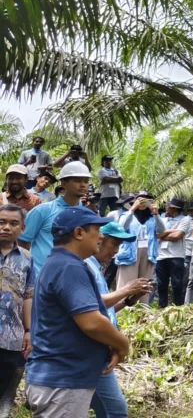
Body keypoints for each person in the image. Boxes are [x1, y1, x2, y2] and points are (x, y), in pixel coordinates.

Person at [25, 206, 130, 418]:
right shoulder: (68, 267)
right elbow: (92, 322)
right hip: (62, 381)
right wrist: (123, 344)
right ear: (79, 233)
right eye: (96, 230)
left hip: (63, 376)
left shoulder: (60, 263)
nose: (100, 236)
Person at [85, 222, 153, 418]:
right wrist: (126, 289)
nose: (115, 251)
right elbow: (91, 305)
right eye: (113, 244)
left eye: (118, 246)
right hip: (93, 348)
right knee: (116, 410)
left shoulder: (97, 268)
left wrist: (128, 300)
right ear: (99, 240)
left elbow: (104, 308)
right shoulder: (86, 266)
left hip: (99, 349)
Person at [19, 161, 90, 273]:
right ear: (63, 183)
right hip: (40, 277)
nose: (83, 184)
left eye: (86, 181)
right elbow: (22, 242)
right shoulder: (42, 210)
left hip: (72, 277)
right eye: (77, 180)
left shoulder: (87, 215)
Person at [0, 204, 32, 418]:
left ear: (22, 228)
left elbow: (28, 295)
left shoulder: (27, 258)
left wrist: (28, 330)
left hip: (12, 338)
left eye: (13, 223)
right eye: (1, 222)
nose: (6, 227)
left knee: (5, 396)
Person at [114, 192, 165, 295]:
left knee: (145, 283)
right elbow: (121, 228)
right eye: (141, 201)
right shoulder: (126, 214)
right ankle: (123, 307)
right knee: (126, 283)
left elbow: (162, 230)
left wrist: (156, 214)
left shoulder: (152, 217)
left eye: (146, 201)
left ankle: (142, 308)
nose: (143, 204)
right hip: (130, 252)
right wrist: (132, 209)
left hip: (148, 252)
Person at [155, 197, 191, 306]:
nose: (166, 207)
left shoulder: (185, 219)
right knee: (161, 284)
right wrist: (170, 231)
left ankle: (178, 307)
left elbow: (177, 236)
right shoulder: (163, 219)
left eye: (168, 206)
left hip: (176, 255)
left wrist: (163, 235)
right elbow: (156, 234)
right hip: (161, 255)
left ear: (174, 208)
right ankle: (162, 307)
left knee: (177, 284)